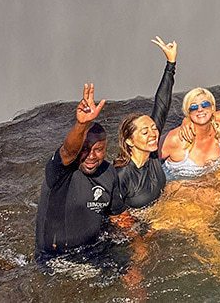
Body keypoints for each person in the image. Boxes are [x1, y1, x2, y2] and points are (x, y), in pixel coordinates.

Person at [35, 83, 118, 256]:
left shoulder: (109, 173)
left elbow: (117, 214)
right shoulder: (59, 171)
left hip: (94, 252)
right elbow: (68, 151)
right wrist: (81, 125)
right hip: (56, 259)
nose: (91, 155)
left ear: (106, 149)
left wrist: (140, 246)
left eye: (98, 149)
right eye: (85, 149)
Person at [113, 36, 177, 209]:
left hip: (157, 215)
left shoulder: (152, 154)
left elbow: (162, 105)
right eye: (144, 131)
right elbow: (116, 218)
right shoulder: (121, 175)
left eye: (153, 128)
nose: (153, 133)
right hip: (137, 232)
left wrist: (171, 64)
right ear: (129, 140)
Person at [161, 87, 220, 180]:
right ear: (187, 112)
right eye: (193, 107)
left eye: (205, 104)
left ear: (213, 108)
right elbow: (146, 158)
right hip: (178, 187)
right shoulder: (176, 139)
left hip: (209, 185)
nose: (200, 109)